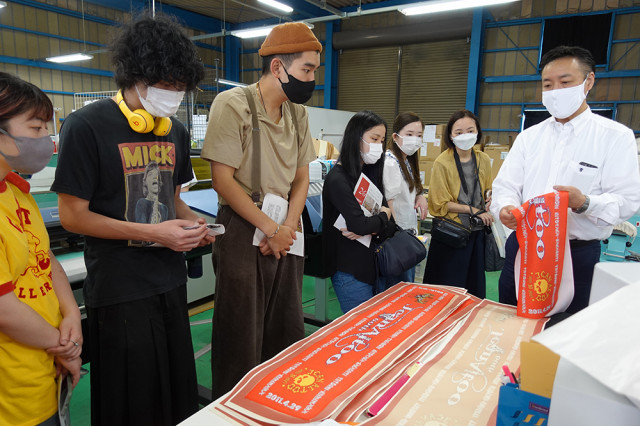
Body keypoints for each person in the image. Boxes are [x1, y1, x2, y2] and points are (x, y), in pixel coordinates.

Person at [51, 14, 212, 425]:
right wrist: (151, 233)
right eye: (167, 85)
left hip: (169, 279)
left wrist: (196, 227)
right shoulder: (87, 125)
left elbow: (175, 201)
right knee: (130, 396)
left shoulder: (173, 130)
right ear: (136, 75)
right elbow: (72, 216)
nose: (174, 96)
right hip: (120, 287)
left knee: (176, 390)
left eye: (181, 88)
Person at [201, 22, 321, 399]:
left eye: (314, 70)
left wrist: (286, 226)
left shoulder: (298, 115)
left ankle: (278, 399)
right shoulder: (234, 104)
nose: (312, 78)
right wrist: (270, 228)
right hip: (244, 225)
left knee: (286, 322)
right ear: (277, 68)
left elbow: (302, 178)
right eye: (307, 69)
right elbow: (222, 179)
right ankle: (232, 407)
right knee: (241, 330)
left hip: (287, 226)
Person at [491, 45, 640, 315]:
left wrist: (584, 203)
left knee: (565, 330)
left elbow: (627, 200)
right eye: (548, 84)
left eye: (565, 82)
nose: (555, 91)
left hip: (576, 254)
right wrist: (505, 208)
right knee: (511, 319)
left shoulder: (614, 137)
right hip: (524, 248)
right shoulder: (530, 137)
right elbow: (506, 186)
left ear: (588, 82)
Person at [0, 72, 82, 426]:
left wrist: (71, 316)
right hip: (12, 388)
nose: (46, 141)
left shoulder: (17, 193)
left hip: (42, 367)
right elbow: (4, 309)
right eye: (35, 130)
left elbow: (45, 260)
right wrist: (63, 346)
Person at [323, 110, 396, 313]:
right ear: (356, 137)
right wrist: (382, 216)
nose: (378, 145)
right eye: (374, 138)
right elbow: (359, 224)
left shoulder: (368, 175)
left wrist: (373, 226)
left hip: (373, 264)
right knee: (362, 327)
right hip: (349, 270)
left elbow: (391, 227)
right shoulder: (338, 178)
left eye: (382, 140)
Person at [423, 109, 493, 298]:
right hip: (452, 233)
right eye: (459, 132)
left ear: (477, 132)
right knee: (448, 288)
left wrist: (489, 196)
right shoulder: (442, 162)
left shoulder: (483, 159)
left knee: (474, 288)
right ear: (451, 136)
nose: (465, 136)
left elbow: (487, 188)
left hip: (476, 233)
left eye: (470, 131)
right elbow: (439, 204)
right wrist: (474, 210)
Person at [382, 112, 428, 286]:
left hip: (406, 233)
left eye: (419, 135)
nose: (414, 140)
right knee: (399, 288)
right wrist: (397, 235)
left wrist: (420, 196)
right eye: (409, 134)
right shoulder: (391, 162)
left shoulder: (406, 160)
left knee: (405, 285)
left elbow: (410, 187)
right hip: (397, 237)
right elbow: (389, 202)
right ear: (395, 136)